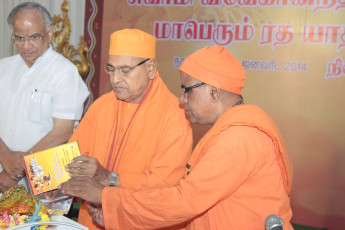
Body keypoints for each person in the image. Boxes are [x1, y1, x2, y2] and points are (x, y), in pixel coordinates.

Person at [60, 45, 294, 230]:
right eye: (112, 69)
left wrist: (107, 197)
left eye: (187, 90)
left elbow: (183, 200)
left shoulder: (238, 138)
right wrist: (116, 213)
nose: (182, 100)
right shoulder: (229, 130)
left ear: (214, 91)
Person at [62, 29, 193, 229]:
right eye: (111, 69)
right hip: (91, 219)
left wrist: (108, 185)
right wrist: (50, 182)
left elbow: (165, 185)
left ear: (150, 68)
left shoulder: (175, 116)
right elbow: (73, 155)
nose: (115, 79)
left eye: (125, 70)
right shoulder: (102, 105)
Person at [0, 2, 89, 194]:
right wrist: (4, 155)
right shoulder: (3, 68)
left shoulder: (65, 72)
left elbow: (62, 131)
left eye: (34, 37)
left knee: (40, 222)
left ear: (50, 32)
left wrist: (17, 169)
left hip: (44, 177)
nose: (26, 46)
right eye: (19, 38)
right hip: (2, 171)